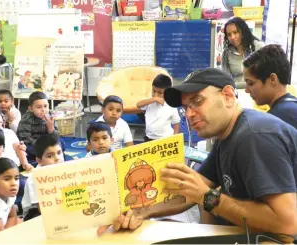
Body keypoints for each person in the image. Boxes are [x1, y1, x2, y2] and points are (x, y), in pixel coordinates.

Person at [104, 68, 297, 240]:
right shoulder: (227, 136)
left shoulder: (254, 136)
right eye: (186, 107)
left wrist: (209, 198)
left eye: (197, 101)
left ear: (228, 95)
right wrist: (140, 212)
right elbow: (192, 192)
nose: (188, 114)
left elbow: (287, 224)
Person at [243, 44, 297, 129]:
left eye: (250, 83)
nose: (246, 90)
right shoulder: (292, 105)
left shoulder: (277, 118)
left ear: (272, 79)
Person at [22, 134, 65, 221]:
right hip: (35, 212)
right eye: (50, 156)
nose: (57, 158)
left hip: (58, 205)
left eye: (59, 153)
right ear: (39, 160)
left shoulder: (65, 171)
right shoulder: (34, 179)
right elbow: (41, 209)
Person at [17, 91, 63, 161]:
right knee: (28, 149)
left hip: (47, 142)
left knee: (62, 143)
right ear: (31, 109)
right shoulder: (26, 120)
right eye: (38, 107)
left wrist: (51, 128)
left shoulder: (50, 116)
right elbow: (25, 139)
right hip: (33, 144)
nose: (43, 110)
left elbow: (55, 137)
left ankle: (50, 156)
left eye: (45, 106)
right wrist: (42, 145)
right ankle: (43, 158)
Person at [136, 74, 180, 142]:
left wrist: (175, 137)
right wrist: (155, 99)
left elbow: (176, 123)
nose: (155, 95)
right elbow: (138, 105)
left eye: (160, 93)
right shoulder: (149, 102)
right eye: (154, 91)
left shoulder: (171, 105)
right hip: (149, 138)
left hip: (166, 139)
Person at [222, 17, 264, 86]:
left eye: (235, 32)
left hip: (256, 90)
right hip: (236, 91)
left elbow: (265, 74)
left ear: (243, 31)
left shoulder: (259, 47)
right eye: (229, 34)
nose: (232, 37)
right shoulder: (226, 53)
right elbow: (226, 79)